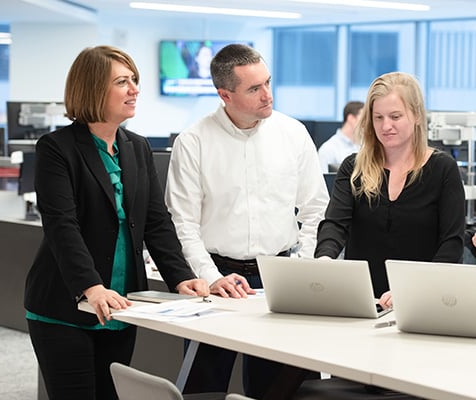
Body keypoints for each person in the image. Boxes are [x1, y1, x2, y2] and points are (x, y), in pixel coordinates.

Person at [24, 45, 209, 400]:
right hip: (67, 305)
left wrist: (181, 276)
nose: (135, 89)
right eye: (123, 82)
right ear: (94, 89)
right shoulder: (56, 148)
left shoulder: (136, 147)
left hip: (124, 304)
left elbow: (156, 222)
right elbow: (62, 226)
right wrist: (91, 287)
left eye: (134, 80)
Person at [165, 43, 329, 399]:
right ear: (225, 94)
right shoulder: (194, 142)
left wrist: (301, 267)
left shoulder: (293, 134)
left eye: (268, 82)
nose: (267, 95)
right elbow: (184, 223)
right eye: (254, 89)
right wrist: (211, 278)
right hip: (217, 283)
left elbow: (316, 209)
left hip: (281, 277)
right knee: (202, 391)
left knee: (285, 389)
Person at [314, 71, 465, 311]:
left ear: (416, 115)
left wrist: (412, 289)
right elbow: (335, 224)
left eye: (395, 116)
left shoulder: (442, 169)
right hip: (360, 303)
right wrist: (323, 261)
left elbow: (451, 244)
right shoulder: (353, 167)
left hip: (420, 304)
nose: (386, 126)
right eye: (378, 117)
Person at [318, 100, 364, 173]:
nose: (367, 123)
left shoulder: (366, 146)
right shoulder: (328, 149)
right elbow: (324, 182)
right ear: (351, 118)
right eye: (364, 119)